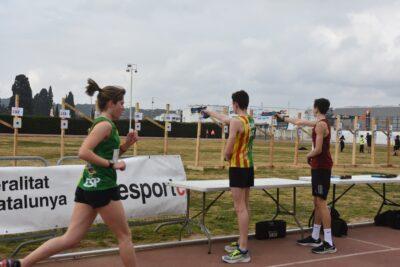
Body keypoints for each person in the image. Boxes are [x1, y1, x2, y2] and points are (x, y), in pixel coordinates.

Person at [1, 79, 139, 267]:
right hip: (103, 188)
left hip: (88, 188)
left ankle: (20, 263)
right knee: (125, 237)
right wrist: (110, 165)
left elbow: (105, 155)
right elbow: (83, 152)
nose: (124, 107)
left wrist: (126, 146)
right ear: (111, 103)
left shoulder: (106, 125)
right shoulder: (105, 125)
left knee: (70, 239)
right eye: (121, 103)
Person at [277, 98, 337, 254]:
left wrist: (307, 156)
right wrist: (282, 118)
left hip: (322, 167)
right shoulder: (320, 123)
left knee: (322, 203)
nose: (312, 108)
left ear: (316, 108)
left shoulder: (321, 125)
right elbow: (299, 121)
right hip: (318, 167)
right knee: (317, 201)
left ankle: (329, 242)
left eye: (313, 106)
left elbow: (317, 149)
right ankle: (315, 236)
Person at [203, 90, 255, 264]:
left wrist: (226, 156)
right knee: (245, 206)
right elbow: (226, 119)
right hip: (248, 166)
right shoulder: (250, 120)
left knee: (239, 208)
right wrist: (209, 112)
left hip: (237, 167)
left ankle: (243, 250)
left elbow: (230, 143)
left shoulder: (235, 122)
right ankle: (242, 242)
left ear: (235, 104)